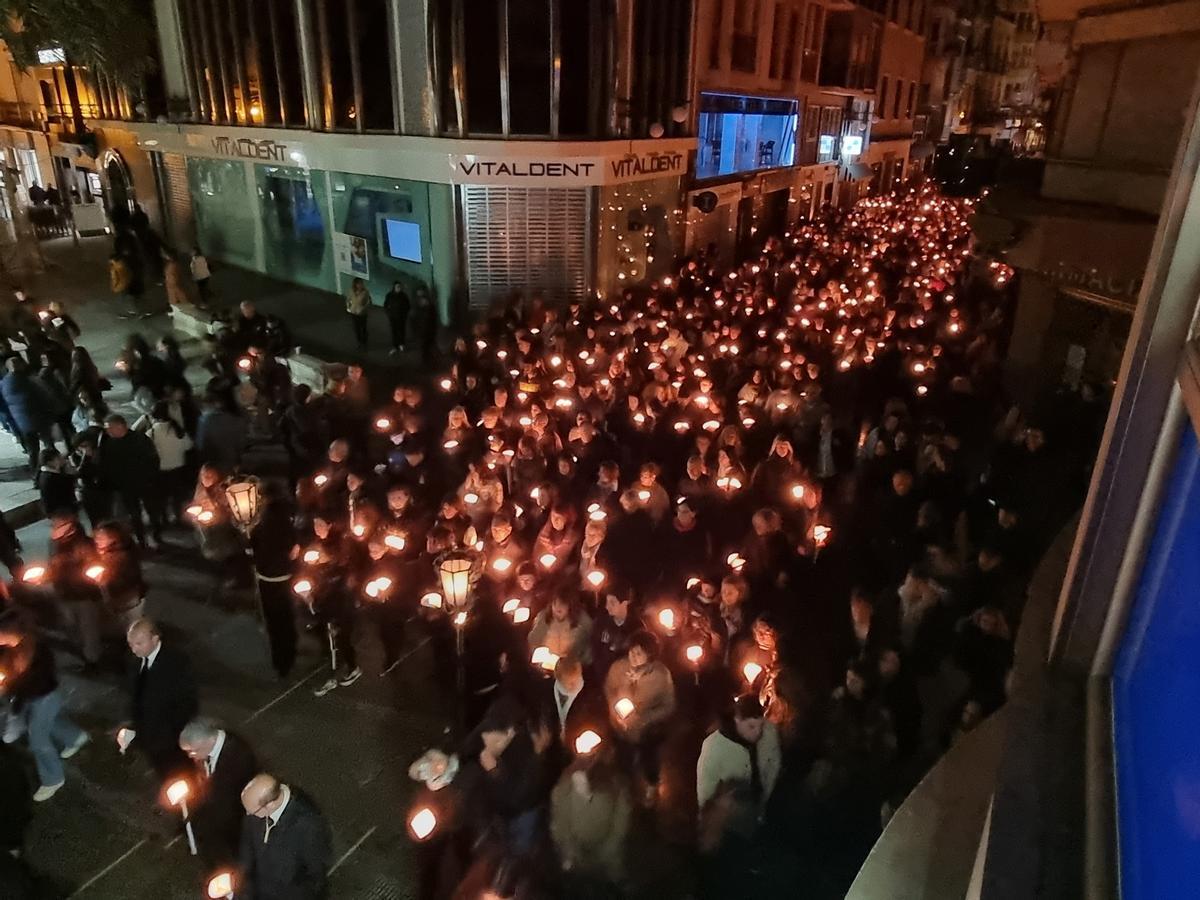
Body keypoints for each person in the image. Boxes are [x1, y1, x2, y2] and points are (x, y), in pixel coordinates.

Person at [0, 622, 90, 801]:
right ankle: (75, 737)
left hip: (45, 696)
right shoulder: (14, 649)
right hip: (32, 697)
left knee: (38, 738)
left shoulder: (34, 652)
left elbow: (30, 682)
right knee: (46, 721)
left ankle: (53, 779)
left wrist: (7, 686)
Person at [696, 694, 783, 850]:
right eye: (751, 726)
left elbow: (773, 765)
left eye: (760, 725)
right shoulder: (714, 746)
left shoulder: (769, 733)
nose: (758, 732)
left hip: (760, 809)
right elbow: (706, 788)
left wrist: (765, 797)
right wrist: (709, 821)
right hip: (730, 821)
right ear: (737, 720)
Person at [603, 631, 676, 805]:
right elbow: (609, 690)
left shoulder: (660, 676)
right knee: (622, 759)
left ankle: (652, 785)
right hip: (620, 728)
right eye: (631, 652)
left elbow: (669, 706)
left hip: (647, 731)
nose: (633, 657)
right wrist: (616, 713)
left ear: (649, 656)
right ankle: (624, 790)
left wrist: (644, 719)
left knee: (649, 759)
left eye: (639, 654)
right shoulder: (618, 668)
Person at [123, 617, 198, 780]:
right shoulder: (136, 662)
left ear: (155, 639)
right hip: (151, 739)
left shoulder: (177, 663)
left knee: (183, 773)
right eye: (131, 644)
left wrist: (169, 735)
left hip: (171, 737)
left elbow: (186, 703)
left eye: (139, 644)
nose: (134, 650)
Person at [238, 773, 332, 900]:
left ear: (269, 805)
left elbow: (315, 877)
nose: (248, 815)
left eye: (251, 812)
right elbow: (248, 850)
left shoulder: (309, 826)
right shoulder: (257, 807)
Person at [179, 718, 259, 865]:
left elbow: (232, 796)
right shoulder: (207, 749)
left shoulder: (238, 756)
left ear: (210, 740)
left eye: (193, 751)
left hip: (236, 818)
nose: (190, 755)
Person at [550, 750, 632, 892]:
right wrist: (571, 853)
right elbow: (560, 825)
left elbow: (620, 826)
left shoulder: (617, 789)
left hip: (608, 855)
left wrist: (608, 851)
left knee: (612, 878)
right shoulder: (563, 789)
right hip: (575, 852)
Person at [248, 484, 299, 679]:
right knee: (285, 619)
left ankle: (282, 660)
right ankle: (288, 654)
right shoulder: (285, 521)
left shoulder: (264, 522)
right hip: (282, 576)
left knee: (275, 621)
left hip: (269, 578)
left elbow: (253, 548)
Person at [1, 356, 57, 473]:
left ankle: (36, 475)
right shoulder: (29, 380)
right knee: (49, 445)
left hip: (22, 423)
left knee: (33, 451)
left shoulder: (4, 384)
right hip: (39, 417)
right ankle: (56, 467)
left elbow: (5, 406)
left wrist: (10, 423)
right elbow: (43, 396)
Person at [384, 281, 410, 354]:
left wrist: (405, 315)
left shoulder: (404, 296)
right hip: (393, 317)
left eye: (400, 287)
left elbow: (408, 306)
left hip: (401, 317)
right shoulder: (389, 295)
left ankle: (401, 344)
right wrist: (389, 314)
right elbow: (386, 305)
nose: (399, 288)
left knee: (401, 331)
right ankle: (395, 346)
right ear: (394, 287)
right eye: (397, 287)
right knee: (394, 331)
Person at [346, 276, 371, 350]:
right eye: (359, 284)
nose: (361, 285)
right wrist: (348, 307)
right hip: (354, 312)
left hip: (362, 313)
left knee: (363, 328)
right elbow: (348, 299)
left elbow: (368, 302)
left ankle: (364, 342)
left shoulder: (365, 292)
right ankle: (359, 342)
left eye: (362, 283)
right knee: (356, 328)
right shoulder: (351, 291)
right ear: (356, 284)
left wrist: (363, 308)